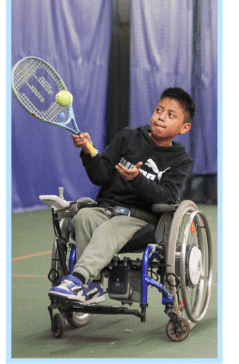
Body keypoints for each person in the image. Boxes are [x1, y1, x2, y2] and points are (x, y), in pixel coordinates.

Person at [48, 88, 196, 304]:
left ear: (184, 128)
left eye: (170, 115)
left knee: (109, 228)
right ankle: (93, 287)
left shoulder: (181, 160)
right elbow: (101, 176)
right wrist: (89, 152)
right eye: (159, 110)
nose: (161, 117)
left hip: (140, 221)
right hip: (106, 209)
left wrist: (137, 179)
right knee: (83, 217)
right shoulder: (129, 137)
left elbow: (167, 197)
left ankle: (78, 279)